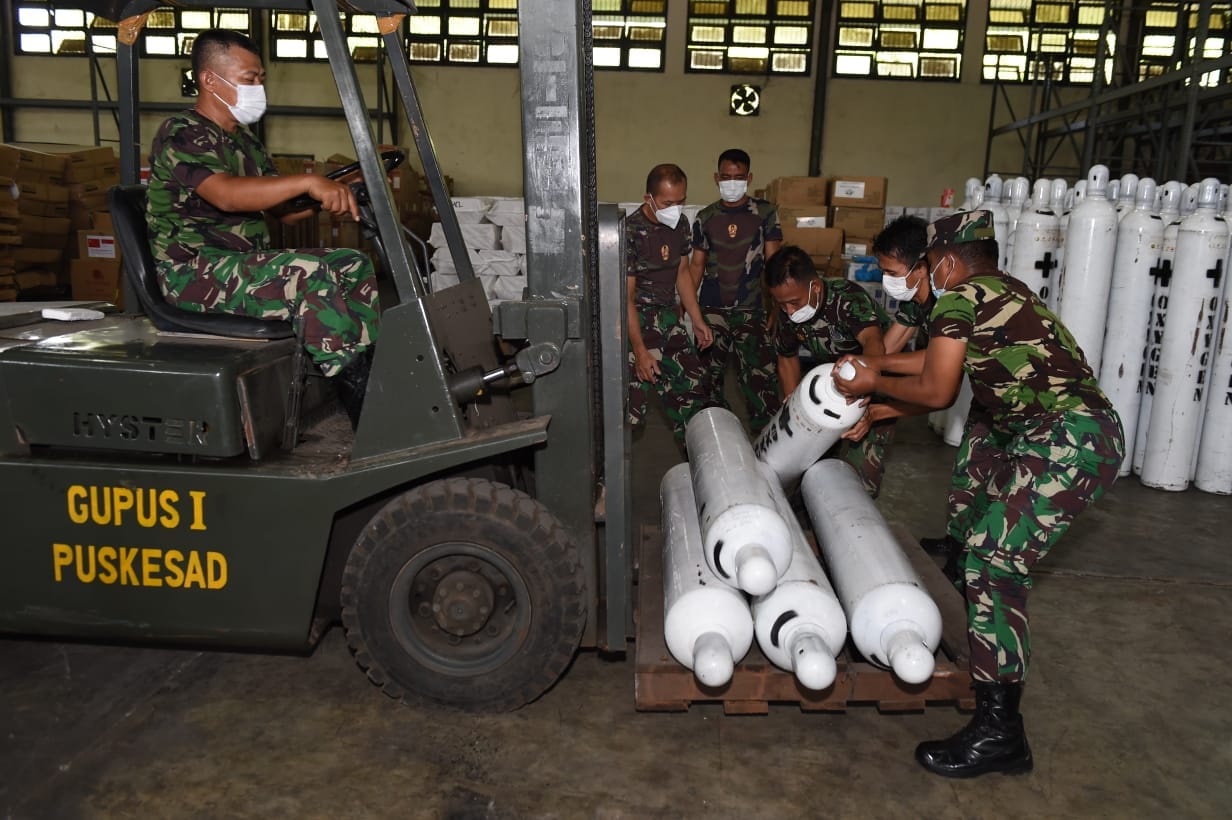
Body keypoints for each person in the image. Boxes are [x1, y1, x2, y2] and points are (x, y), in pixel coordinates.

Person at [833, 211, 1124, 778]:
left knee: (993, 567)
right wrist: (878, 371)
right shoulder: (1004, 290)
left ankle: (1000, 733)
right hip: (1065, 431)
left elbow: (939, 388)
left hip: (1068, 440)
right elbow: (933, 361)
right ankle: (982, 644)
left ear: (945, 261)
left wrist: (872, 381)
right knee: (978, 545)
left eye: (926, 265)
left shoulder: (959, 299)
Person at [145, 29, 379, 427]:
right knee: (308, 274)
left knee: (352, 263)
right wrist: (308, 182)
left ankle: (369, 378)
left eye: (260, 78)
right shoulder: (182, 132)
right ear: (209, 80)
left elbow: (284, 211)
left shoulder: (246, 142)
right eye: (249, 78)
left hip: (238, 267)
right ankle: (368, 414)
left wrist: (336, 192)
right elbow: (226, 195)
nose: (258, 87)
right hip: (192, 273)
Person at [765, 245, 893, 496]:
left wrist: (863, 395)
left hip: (877, 378)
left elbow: (874, 343)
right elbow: (787, 357)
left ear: (815, 286)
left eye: (794, 302)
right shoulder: (787, 312)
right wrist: (795, 402)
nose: (789, 311)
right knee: (809, 459)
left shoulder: (848, 299)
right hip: (830, 382)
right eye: (781, 304)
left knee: (860, 476)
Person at [688, 149, 782, 434]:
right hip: (712, 310)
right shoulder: (706, 217)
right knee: (706, 379)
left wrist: (778, 308)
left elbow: (775, 265)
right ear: (716, 178)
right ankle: (716, 436)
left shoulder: (765, 213)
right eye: (726, 177)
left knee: (760, 380)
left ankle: (767, 441)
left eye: (738, 177)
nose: (732, 183)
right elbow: (696, 266)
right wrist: (688, 309)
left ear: (749, 178)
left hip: (751, 310)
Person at [626, 163, 713, 445]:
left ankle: (697, 454)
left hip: (668, 318)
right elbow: (625, 298)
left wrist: (696, 320)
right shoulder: (630, 231)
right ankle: (614, 463)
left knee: (692, 389)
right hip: (637, 322)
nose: (675, 209)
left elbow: (682, 274)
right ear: (648, 198)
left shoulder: (681, 225)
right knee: (630, 409)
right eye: (667, 203)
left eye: (680, 201)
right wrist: (639, 350)